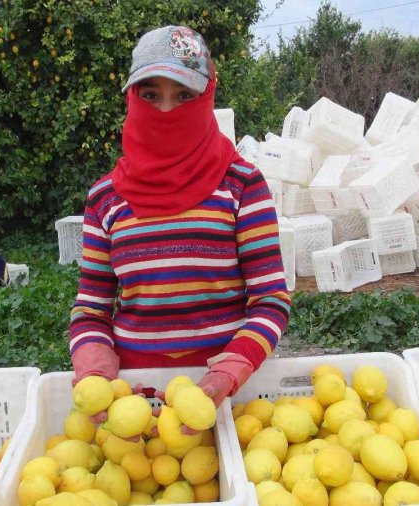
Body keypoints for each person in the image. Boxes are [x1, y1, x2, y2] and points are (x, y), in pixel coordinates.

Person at [68, 25, 290, 409]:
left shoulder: (241, 186)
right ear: (132, 98)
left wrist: (232, 367)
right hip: (134, 399)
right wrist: (94, 368)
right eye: (151, 94)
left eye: (183, 95)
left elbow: (270, 299)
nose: (166, 110)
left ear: (206, 97)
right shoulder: (105, 198)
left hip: (228, 399)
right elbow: (91, 308)